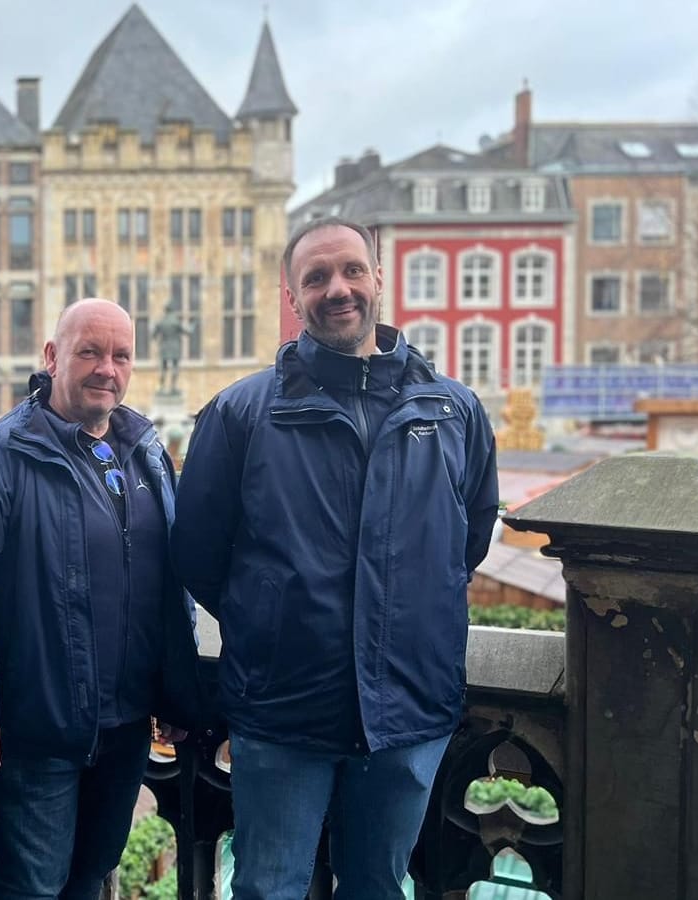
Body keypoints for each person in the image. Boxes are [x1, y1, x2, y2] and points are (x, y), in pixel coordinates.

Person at [175, 218, 498, 900]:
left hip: (409, 709)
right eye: (316, 278)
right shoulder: (240, 414)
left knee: (379, 886)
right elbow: (198, 556)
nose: (337, 289)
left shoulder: (453, 411)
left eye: (352, 270)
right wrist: (274, 623)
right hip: (284, 709)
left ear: (379, 278)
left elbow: (467, 542)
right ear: (294, 297)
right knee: (268, 887)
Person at [0, 299, 204, 900]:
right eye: (90, 351)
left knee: (91, 873)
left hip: (126, 724)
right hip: (39, 725)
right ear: (52, 357)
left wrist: (175, 691)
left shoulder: (145, 450)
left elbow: (168, 584)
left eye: (121, 355)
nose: (107, 367)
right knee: (31, 884)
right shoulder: (0, 455)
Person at [151, 304, 191, 395]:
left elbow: (153, 335)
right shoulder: (175, 322)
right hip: (174, 347)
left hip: (164, 347)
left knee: (163, 368)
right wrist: (193, 325)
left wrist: (159, 340)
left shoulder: (161, 322)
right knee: (175, 367)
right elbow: (188, 331)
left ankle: (161, 387)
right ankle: (173, 387)